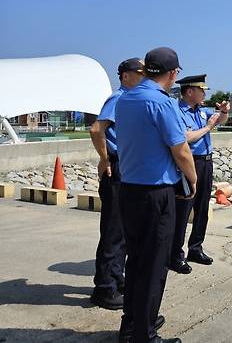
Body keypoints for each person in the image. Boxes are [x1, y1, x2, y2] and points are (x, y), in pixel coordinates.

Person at [115, 46, 196, 343]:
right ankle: (144, 335)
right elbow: (181, 149)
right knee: (154, 265)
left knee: (135, 260)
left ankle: (132, 324)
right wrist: (193, 180)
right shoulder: (163, 103)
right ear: (173, 74)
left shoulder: (126, 98)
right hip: (156, 194)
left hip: (129, 190)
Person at [89, 57, 143, 310]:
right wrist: (104, 158)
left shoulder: (131, 100)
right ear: (125, 76)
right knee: (113, 230)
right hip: (117, 168)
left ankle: (115, 279)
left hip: (128, 167)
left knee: (123, 232)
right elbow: (96, 129)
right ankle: (104, 289)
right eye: (140, 72)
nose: (144, 77)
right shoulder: (119, 98)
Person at [170, 74, 229, 274]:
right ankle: (175, 255)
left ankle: (195, 248)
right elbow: (186, 137)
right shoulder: (178, 111)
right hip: (190, 162)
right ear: (189, 92)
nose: (204, 94)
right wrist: (208, 127)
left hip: (206, 162)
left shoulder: (201, 111)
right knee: (183, 210)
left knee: (202, 208)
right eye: (201, 90)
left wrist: (223, 112)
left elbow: (219, 120)